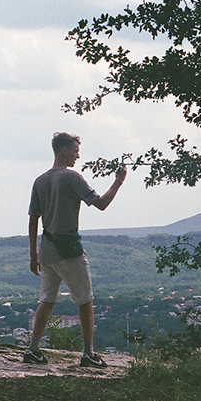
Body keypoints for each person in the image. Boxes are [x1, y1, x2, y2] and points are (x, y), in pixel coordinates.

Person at [24, 132, 126, 368]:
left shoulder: (40, 180)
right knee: (85, 301)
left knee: (47, 300)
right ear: (63, 151)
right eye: (75, 151)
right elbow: (101, 204)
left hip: (46, 249)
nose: (78, 156)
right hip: (69, 249)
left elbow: (33, 218)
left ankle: (33, 348)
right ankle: (88, 353)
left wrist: (33, 254)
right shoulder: (71, 178)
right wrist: (118, 182)